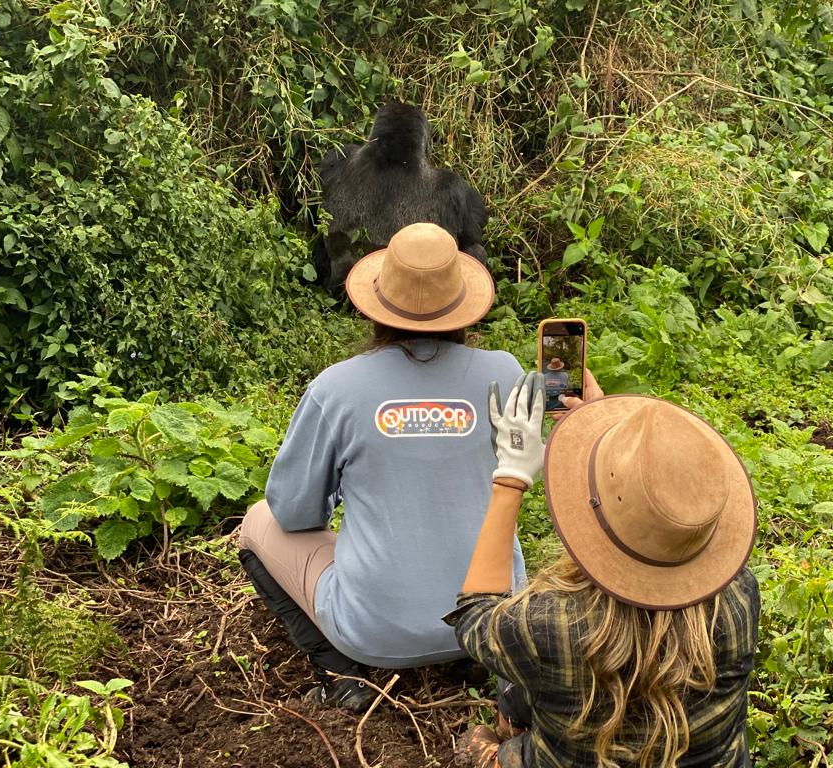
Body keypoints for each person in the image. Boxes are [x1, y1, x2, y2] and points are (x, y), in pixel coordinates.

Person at [237, 223, 527, 712]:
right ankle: (468, 659)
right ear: (462, 307)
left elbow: (293, 513)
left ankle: (341, 677)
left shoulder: (337, 388)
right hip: (494, 622)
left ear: (376, 307)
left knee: (257, 522)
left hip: (373, 632)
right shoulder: (506, 373)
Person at [447, 372, 760, 767]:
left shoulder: (547, 625)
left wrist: (511, 478)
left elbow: (475, 614)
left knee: (487, 734)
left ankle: (508, 732)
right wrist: (611, 436)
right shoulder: (740, 593)